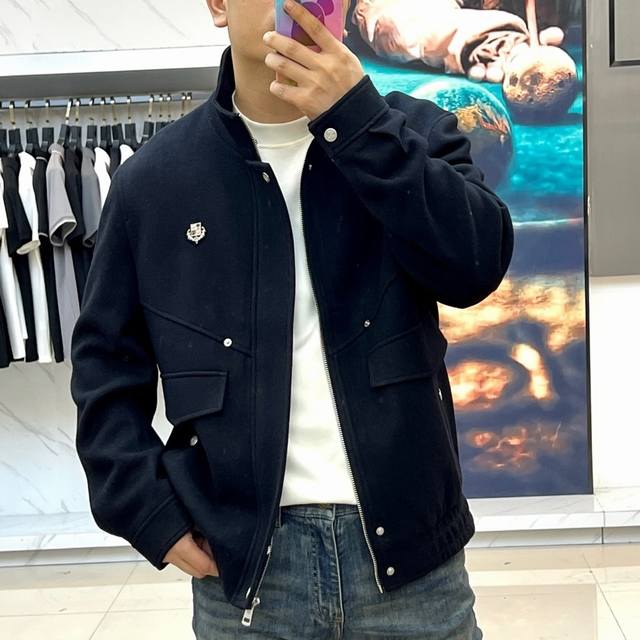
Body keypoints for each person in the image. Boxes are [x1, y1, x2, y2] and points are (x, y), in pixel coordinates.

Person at [70, 0, 513, 637]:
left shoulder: (412, 134)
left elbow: (475, 266)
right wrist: (146, 509)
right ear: (218, 5)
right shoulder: (156, 180)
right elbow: (105, 363)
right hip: (246, 567)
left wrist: (357, 121)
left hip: (412, 559)